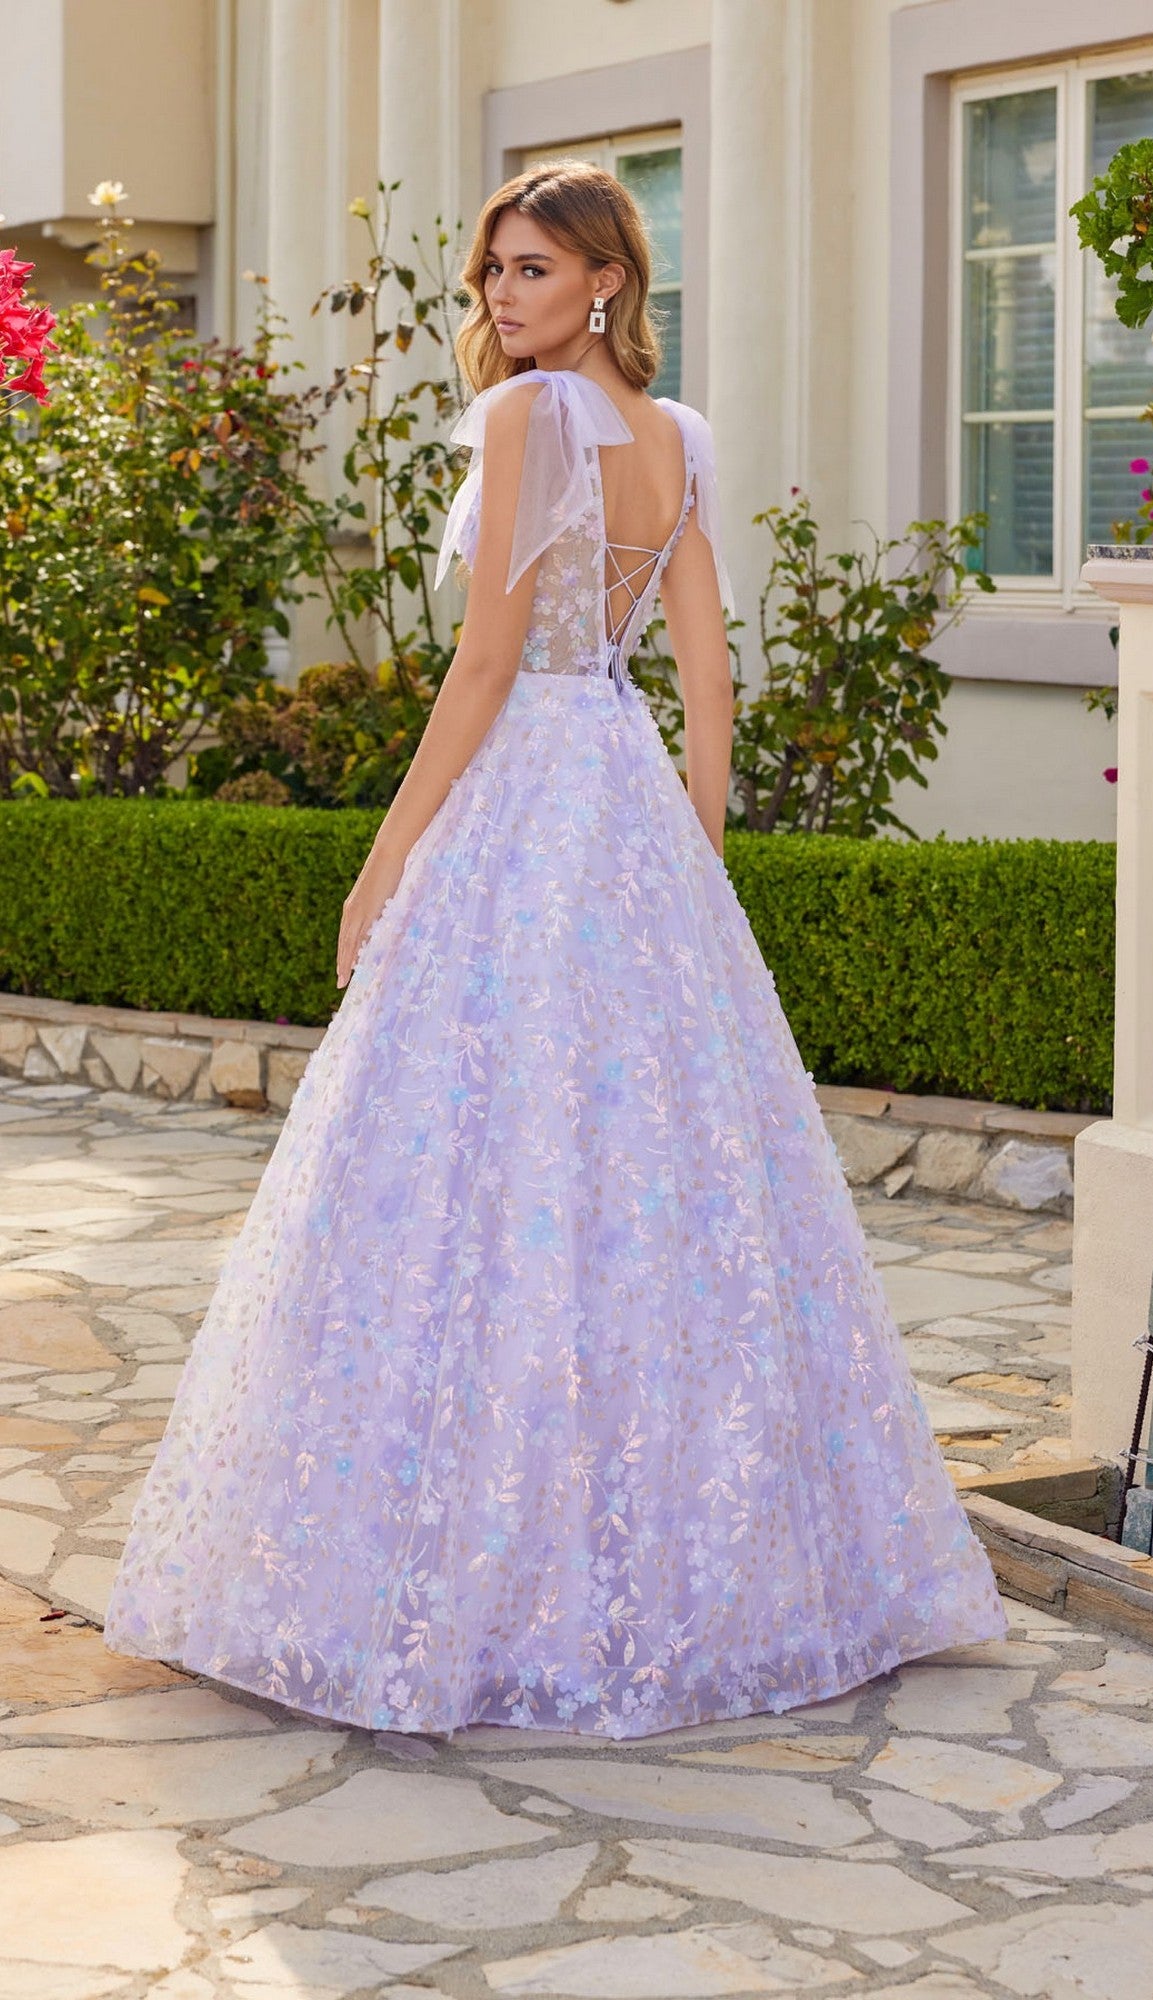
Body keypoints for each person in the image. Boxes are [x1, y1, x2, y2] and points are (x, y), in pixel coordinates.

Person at [103, 161, 1008, 1739]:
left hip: (531, 783)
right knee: (642, 1167)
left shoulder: (534, 422)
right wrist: (699, 868)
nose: (499, 300)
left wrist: (385, 859)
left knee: (480, 1151)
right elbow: (708, 672)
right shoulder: (678, 440)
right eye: (489, 276)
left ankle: (462, 1567)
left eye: (529, 271)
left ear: (604, 278)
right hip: (626, 798)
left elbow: (486, 660)